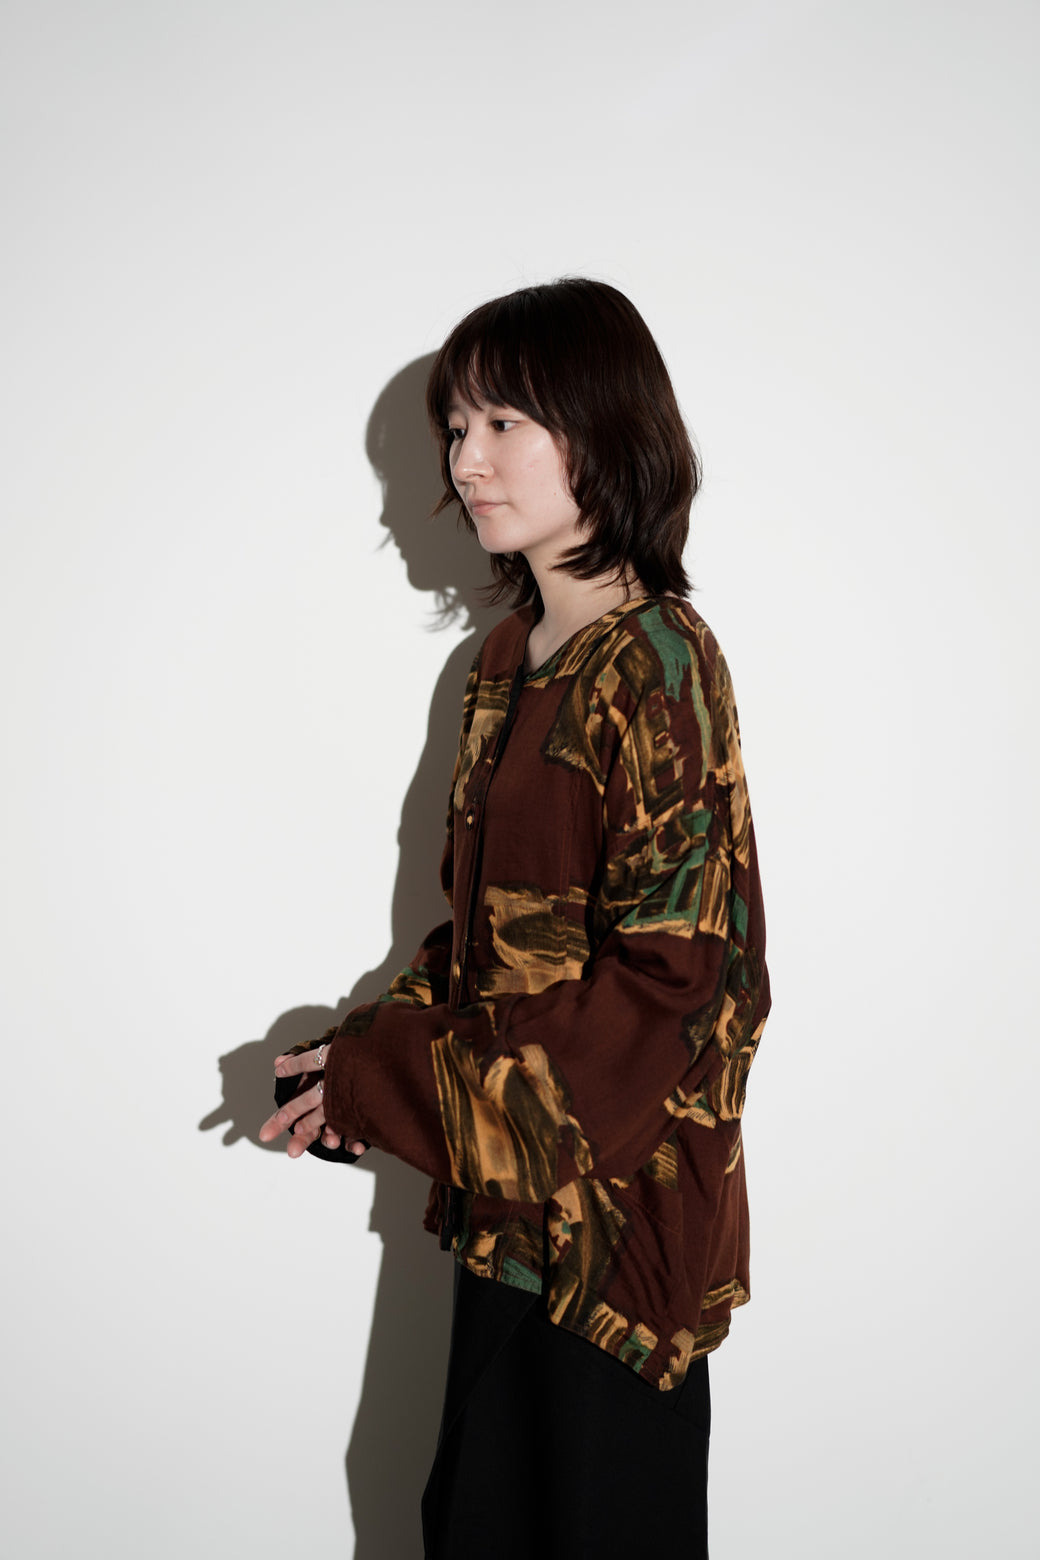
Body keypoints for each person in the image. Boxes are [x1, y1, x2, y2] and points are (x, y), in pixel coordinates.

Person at [260, 278, 770, 1558]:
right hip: (499, 1228)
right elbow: (487, 946)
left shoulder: (661, 662)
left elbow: (668, 995)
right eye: (456, 427)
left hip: (615, 1257)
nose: (464, 460)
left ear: (600, 430)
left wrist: (393, 1080)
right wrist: (352, 1064)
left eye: (502, 424)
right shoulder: (500, 661)